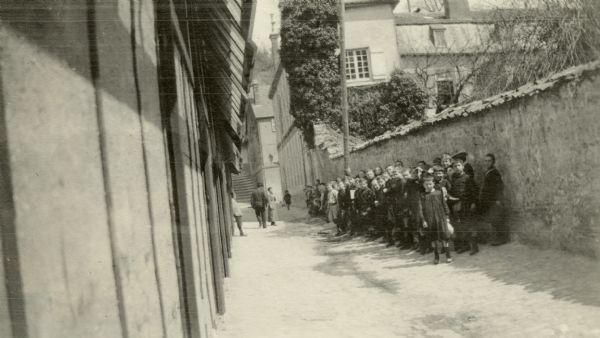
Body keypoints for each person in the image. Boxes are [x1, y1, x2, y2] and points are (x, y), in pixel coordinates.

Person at [418, 175, 452, 264]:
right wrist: (423, 220)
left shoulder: (439, 193)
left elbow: (445, 205)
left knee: (444, 237)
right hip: (430, 219)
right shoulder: (422, 196)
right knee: (433, 239)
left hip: (441, 218)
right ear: (423, 185)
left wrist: (447, 217)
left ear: (433, 184)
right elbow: (420, 209)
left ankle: (448, 255)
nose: (428, 186)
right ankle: (436, 257)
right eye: (426, 184)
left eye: (430, 184)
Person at [449, 159, 478, 255]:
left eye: (458, 165)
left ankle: (474, 247)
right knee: (461, 226)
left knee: (470, 225)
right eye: (454, 166)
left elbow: (474, 192)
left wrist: (473, 203)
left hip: (467, 204)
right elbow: (452, 191)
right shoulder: (453, 178)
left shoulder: (468, 178)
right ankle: (465, 246)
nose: (457, 168)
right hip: (457, 204)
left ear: (462, 167)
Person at [478, 153, 508, 246]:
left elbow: (499, 186)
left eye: (489, 161)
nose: (487, 163)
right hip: (489, 200)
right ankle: (497, 238)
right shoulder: (487, 172)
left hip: (494, 200)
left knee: (497, 219)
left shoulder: (495, 172)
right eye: (485, 161)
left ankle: (502, 238)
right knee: (493, 219)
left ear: (493, 162)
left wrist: (498, 199)